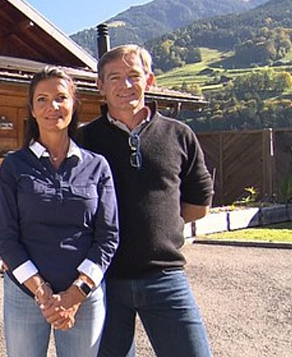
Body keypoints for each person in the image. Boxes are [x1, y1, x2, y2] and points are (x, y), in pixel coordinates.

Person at [78, 45, 215, 357]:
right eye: (114, 77)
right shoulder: (84, 140)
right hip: (103, 280)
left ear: (149, 80)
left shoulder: (179, 134)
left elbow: (198, 205)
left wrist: (158, 226)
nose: (125, 85)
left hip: (165, 277)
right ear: (100, 86)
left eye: (133, 76)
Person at [0, 66, 119, 357]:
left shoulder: (97, 166)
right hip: (25, 294)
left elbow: (108, 237)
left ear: (74, 105)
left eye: (61, 97)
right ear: (32, 109)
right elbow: (6, 238)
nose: (52, 106)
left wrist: (75, 294)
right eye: (42, 99)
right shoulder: (15, 166)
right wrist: (43, 293)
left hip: (84, 296)